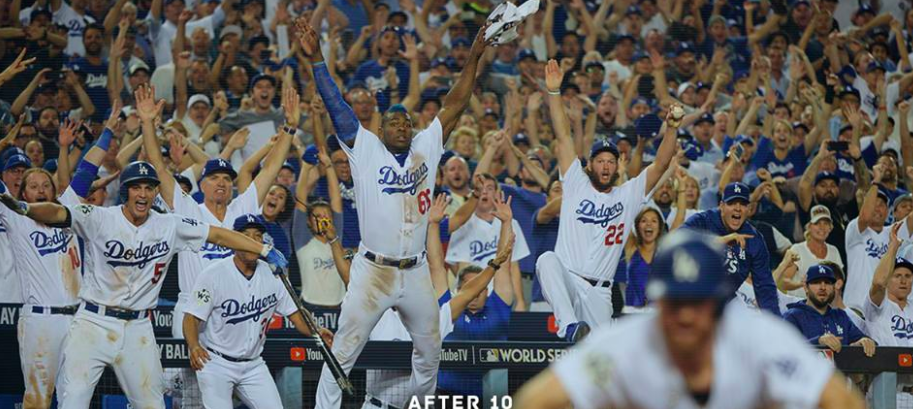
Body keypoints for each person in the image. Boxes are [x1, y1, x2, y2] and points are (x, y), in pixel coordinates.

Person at [296, 15, 489, 406]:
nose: (400, 125)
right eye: (392, 121)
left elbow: (457, 101)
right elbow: (336, 105)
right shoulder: (365, 148)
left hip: (415, 271)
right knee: (343, 354)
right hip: (373, 272)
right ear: (380, 129)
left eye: (405, 121)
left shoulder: (426, 145)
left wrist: (475, 53)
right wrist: (316, 58)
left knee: (430, 350)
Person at [0, 159, 287, 409]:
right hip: (93, 323)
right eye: (136, 187)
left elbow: (219, 235)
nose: (143, 193)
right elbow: (59, 213)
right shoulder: (101, 217)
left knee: (151, 403)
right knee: (73, 399)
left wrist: (262, 250)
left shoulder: (169, 225)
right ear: (126, 192)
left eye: (149, 188)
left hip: (138, 328)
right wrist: (27, 208)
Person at [513, 230, 865, 409]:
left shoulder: (758, 339)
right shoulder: (627, 344)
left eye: (696, 302)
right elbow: (535, 399)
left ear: (718, 302)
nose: (685, 314)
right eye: (675, 300)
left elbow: (841, 399)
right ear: (658, 301)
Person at [536, 58, 679, 341]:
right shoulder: (576, 182)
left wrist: (672, 128)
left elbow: (661, 165)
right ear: (589, 165)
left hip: (601, 293)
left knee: (600, 370)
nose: (605, 166)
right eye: (599, 161)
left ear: (617, 166)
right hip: (568, 279)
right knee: (546, 260)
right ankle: (568, 327)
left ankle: (577, 334)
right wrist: (554, 92)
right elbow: (563, 136)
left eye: (610, 161)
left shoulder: (629, 195)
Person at [354, 194, 513, 408]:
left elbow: (503, 266)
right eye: (468, 287)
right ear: (458, 289)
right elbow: (437, 265)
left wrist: (506, 224)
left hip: (486, 398)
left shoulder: (497, 308)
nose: (475, 294)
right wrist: (433, 224)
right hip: (441, 398)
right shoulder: (443, 311)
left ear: (487, 290)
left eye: (480, 289)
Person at [183, 214, 333, 409]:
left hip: (253, 365)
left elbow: (297, 315)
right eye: (246, 236)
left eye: (257, 236)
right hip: (216, 363)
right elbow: (191, 318)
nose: (253, 241)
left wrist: (317, 329)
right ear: (234, 240)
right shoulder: (213, 275)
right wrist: (194, 346)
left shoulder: (272, 274)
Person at [682, 182, 780, 315]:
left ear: (748, 209)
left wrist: (774, 324)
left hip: (725, 300)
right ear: (721, 206)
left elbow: (765, 287)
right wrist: (720, 241)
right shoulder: (702, 221)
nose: (738, 208)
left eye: (743, 204)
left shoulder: (754, 239)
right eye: (732, 203)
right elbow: (676, 244)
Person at [445, 174, 529, 310]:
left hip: (501, 295)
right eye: (480, 188)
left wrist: (519, 300)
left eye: (489, 188)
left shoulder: (511, 223)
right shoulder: (463, 225)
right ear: (473, 194)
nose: (484, 192)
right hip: (472, 296)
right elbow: (459, 267)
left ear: (497, 193)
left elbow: (513, 266)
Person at [783, 264, 875, 355]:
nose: (823, 287)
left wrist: (863, 342)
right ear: (806, 287)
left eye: (827, 282)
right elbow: (784, 349)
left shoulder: (840, 316)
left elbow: (860, 339)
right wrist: (818, 342)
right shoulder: (792, 316)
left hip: (840, 369)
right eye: (817, 282)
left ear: (833, 287)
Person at [866, 223, 913, 346]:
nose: (903, 281)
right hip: (886, 364)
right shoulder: (877, 306)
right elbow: (878, 282)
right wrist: (893, 247)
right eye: (897, 276)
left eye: (907, 276)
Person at [786, 205, 844, 298]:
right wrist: (803, 284)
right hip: (799, 306)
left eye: (826, 223)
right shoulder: (797, 249)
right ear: (809, 227)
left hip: (825, 308)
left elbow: (837, 285)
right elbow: (785, 282)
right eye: (817, 223)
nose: (822, 227)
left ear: (830, 228)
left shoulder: (834, 251)